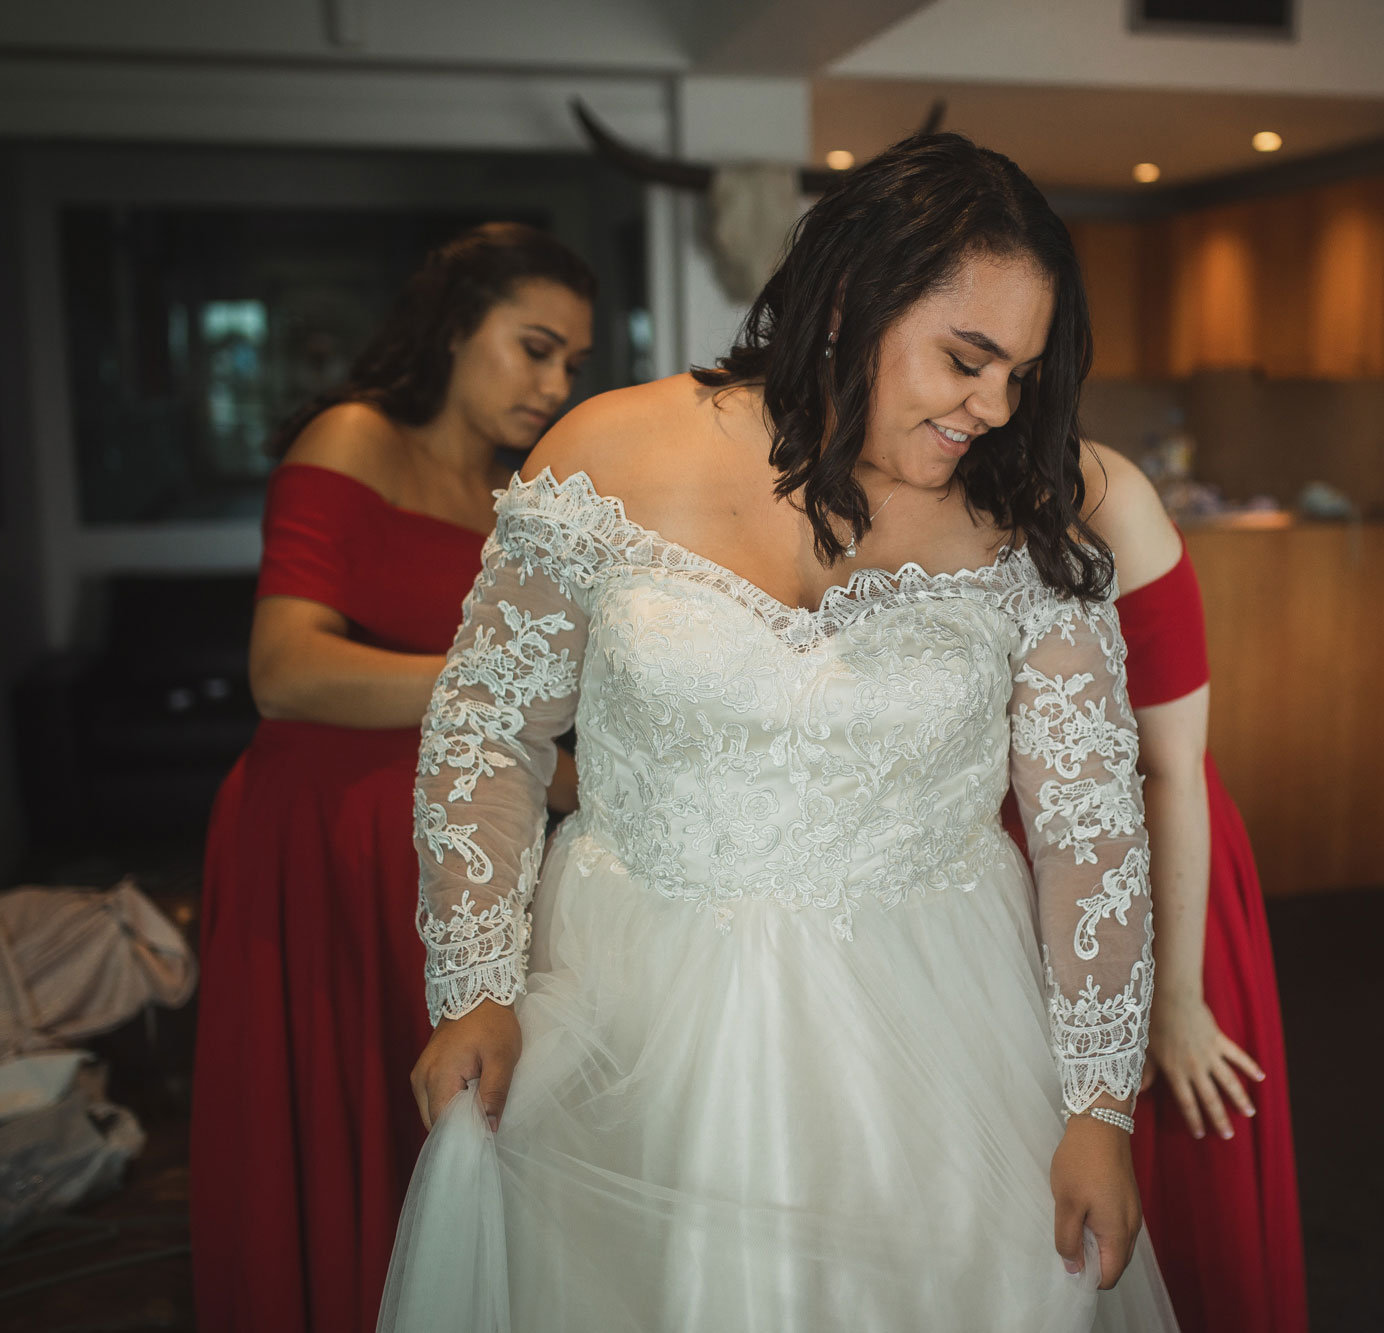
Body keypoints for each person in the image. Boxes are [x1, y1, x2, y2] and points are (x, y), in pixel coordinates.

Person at [378, 134, 1179, 1331]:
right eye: (966, 359)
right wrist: (477, 987)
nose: (995, 406)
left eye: (1019, 372)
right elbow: (487, 727)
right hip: (628, 1010)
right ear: (850, 301)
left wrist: (1098, 1105)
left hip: (932, 1041)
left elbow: (1089, 829)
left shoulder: (1022, 522)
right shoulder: (606, 456)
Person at [190, 222, 596, 1333]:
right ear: (457, 328)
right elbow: (283, 667)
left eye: (572, 363)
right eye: (534, 347)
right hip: (320, 834)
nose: (554, 382)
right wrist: (487, 691)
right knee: (336, 1104)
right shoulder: (352, 438)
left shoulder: (525, 493)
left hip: (449, 842)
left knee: (447, 1112)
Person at [1077, 447, 1309, 1332]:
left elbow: (1173, 764)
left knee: (1179, 1206)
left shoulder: (1111, 497)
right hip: (997, 879)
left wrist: (1173, 999)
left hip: (1156, 873)